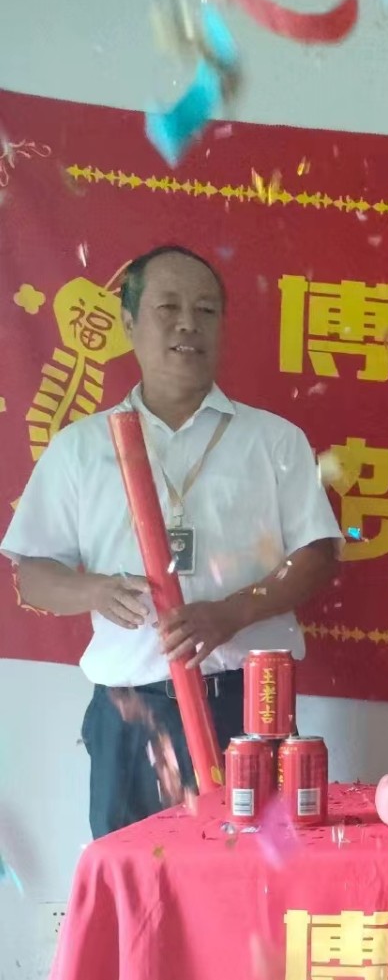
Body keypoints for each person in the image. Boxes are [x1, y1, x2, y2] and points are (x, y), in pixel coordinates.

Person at [2, 245, 342, 839]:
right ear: (129, 323)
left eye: (205, 310)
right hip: (129, 713)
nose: (188, 324)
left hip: (247, 707)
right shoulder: (81, 447)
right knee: (134, 879)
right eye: (169, 307)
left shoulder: (274, 440)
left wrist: (232, 613)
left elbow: (318, 556)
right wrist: (95, 591)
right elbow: (32, 574)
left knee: (251, 882)